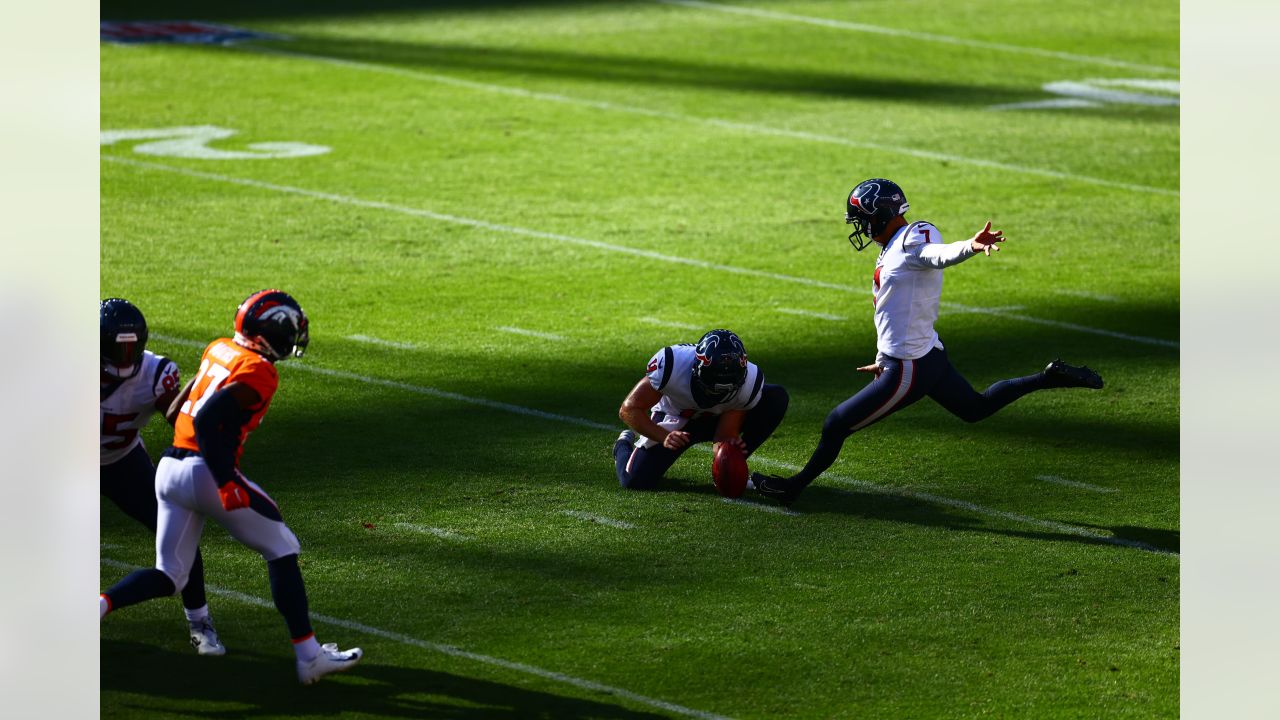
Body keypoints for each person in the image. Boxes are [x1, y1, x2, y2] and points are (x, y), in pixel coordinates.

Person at [752, 179, 1104, 505]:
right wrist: (882, 355)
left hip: (909, 366)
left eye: (861, 218)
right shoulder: (895, 244)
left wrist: (970, 245)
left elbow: (938, 255)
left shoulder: (911, 241)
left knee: (836, 424)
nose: (859, 226)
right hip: (926, 355)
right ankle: (1049, 377)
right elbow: (893, 309)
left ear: (880, 215)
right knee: (975, 408)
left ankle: (792, 489)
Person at [100, 290, 363, 685]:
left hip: (167, 470)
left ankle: (100, 605)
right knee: (282, 546)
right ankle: (309, 657)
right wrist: (226, 482)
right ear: (269, 333)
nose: (293, 339)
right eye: (288, 331)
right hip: (203, 470)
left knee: (170, 574)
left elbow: (181, 411)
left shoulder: (219, 348)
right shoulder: (260, 371)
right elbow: (206, 421)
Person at [100, 298, 224, 656]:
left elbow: (180, 423)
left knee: (181, 538)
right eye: (115, 349)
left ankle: (200, 623)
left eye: (130, 348)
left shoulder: (154, 372)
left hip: (123, 462)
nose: (124, 358)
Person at [614, 329, 789, 490]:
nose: (716, 394)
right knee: (634, 481)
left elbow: (723, 434)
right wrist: (664, 436)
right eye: (712, 387)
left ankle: (727, 473)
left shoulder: (750, 382)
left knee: (775, 398)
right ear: (696, 368)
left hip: (717, 418)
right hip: (675, 418)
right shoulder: (672, 364)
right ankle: (622, 444)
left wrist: (726, 453)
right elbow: (629, 409)